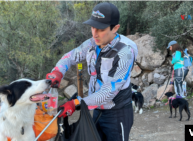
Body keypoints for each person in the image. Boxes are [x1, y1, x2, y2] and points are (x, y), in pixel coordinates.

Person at [46, 2, 138, 141]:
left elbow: (108, 92)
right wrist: (57, 71)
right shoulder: (91, 44)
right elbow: (69, 57)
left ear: (115, 28)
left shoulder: (125, 52)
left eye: (100, 29)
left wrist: (76, 103)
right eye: (92, 27)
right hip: (97, 109)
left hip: (118, 113)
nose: (94, 34)